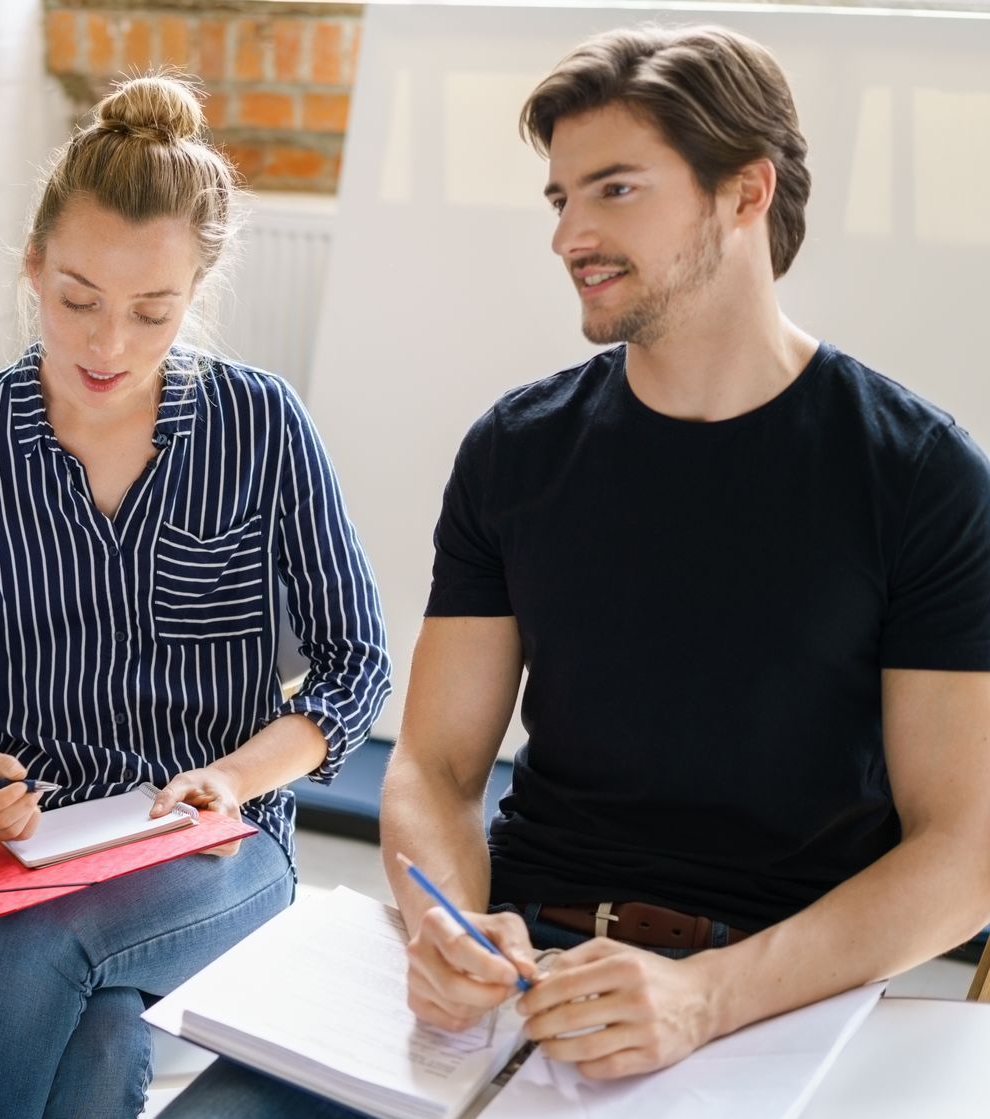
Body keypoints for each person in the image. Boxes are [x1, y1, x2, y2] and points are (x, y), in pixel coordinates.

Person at [161, 24, 990, 1116]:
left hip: (774, 993)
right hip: (528, 954)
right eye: (561, 198)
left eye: (615, 190)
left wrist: (706, 997)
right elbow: (434, 768)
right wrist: (445, 923)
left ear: (746, 192)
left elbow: (964, 851)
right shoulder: (516, 452)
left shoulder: (920, 477)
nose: (569, 235)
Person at [0, 75, 392, 1119]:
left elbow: (356, 667)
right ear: (31, 265)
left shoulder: (263, 429)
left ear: (197, 290)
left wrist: (232, 778)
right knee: (99, 1030)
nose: (107, 345)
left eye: (153, 311)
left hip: (212, 854)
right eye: (78, 300)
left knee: (50, 943)